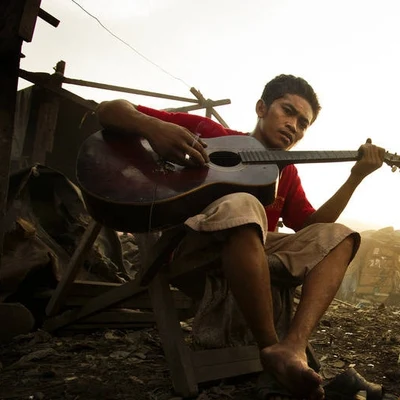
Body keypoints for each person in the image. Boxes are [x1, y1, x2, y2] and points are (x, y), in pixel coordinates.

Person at [95, 74, 385, 399]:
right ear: (261, 107)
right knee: (244, 204)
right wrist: (153, 127)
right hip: (190, 252)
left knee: (340, 236)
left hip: (252, 257)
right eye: (287, 111)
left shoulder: (285, 171)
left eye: (303, 123)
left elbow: (312, 230)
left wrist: (354, 178)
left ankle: (293, 347)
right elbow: (109, 109)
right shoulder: (210, 134)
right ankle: (269, 348)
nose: (294, 125)